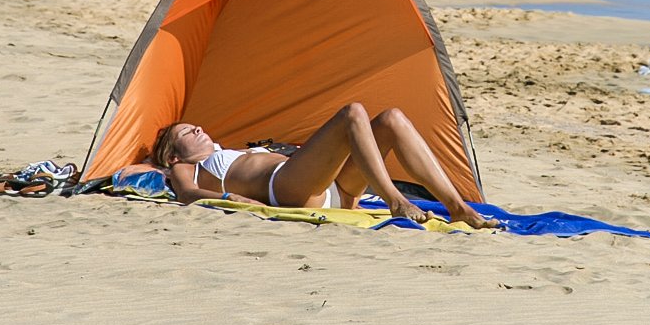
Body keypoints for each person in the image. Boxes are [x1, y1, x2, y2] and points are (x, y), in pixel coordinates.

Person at [153, 103, 496, 227]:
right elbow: (187, 194)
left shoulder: (230, 150)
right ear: (173, 156)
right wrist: (231, 199)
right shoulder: (187, 167)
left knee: (391, 119)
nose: (197, 129)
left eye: (196, 126)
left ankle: (458, 207)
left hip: (335, 189)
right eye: (186, 132)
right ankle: (395, 200)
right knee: (352, 113)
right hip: (288, 189)